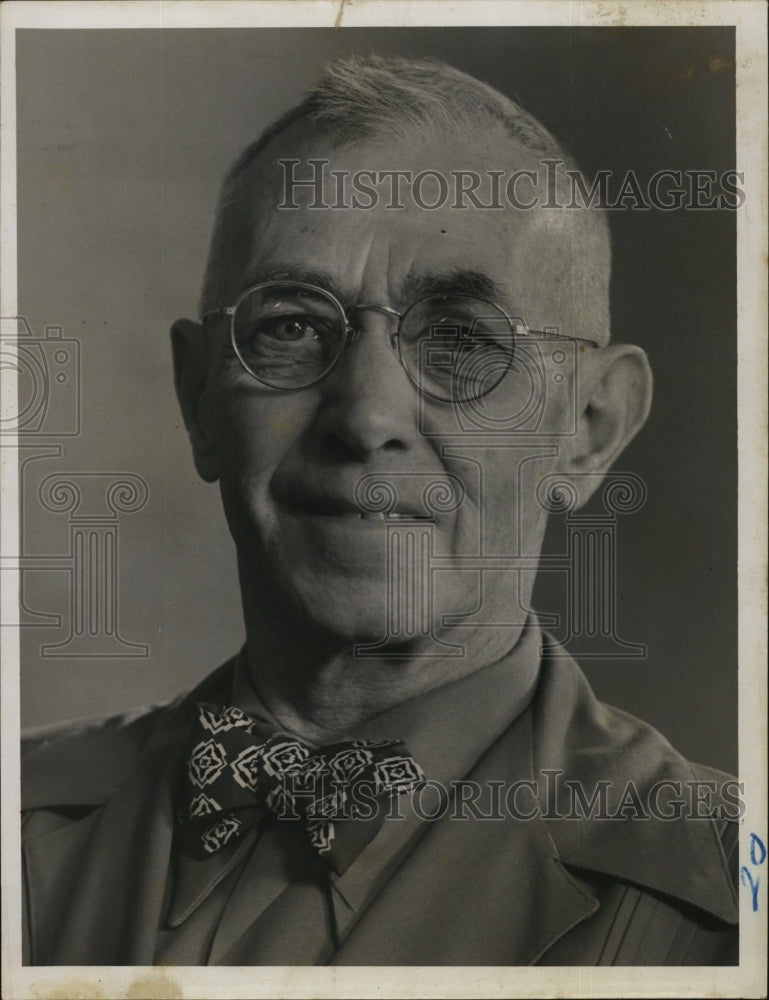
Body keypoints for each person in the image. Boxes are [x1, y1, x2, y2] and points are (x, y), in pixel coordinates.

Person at [21, 54, 739, 966]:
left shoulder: (721, 906)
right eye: (289, 326)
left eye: (458, 340)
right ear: (199, 397)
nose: (363, 417)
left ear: (588, 429)